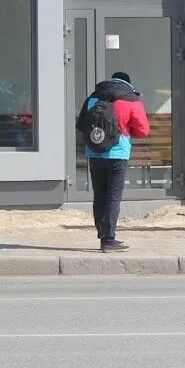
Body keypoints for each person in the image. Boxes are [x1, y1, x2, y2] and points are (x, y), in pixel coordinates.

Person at [76, 71, 150, 252]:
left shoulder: (93, 98)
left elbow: (80, 125)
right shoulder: (132, 100)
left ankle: (102, 234)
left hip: (94, 153)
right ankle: (109, 240)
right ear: (128, 84)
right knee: (113, 196)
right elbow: (143, 130)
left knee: (99, 194)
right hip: (118, 154)